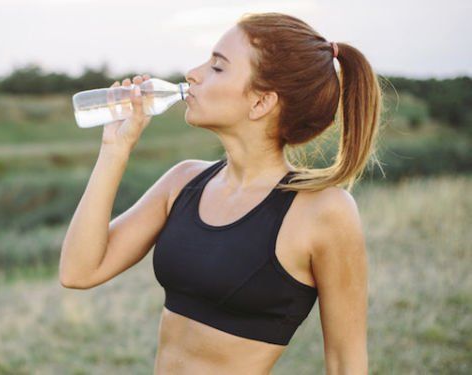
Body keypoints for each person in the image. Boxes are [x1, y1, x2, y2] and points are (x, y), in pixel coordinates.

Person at [60, 12, 379, 374]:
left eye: (218, 67)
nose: (193, 73)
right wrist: (115, 149)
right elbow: (79, 271)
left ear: (261, 102)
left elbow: (346, 361)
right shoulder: (183, 182)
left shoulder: (324, 211)